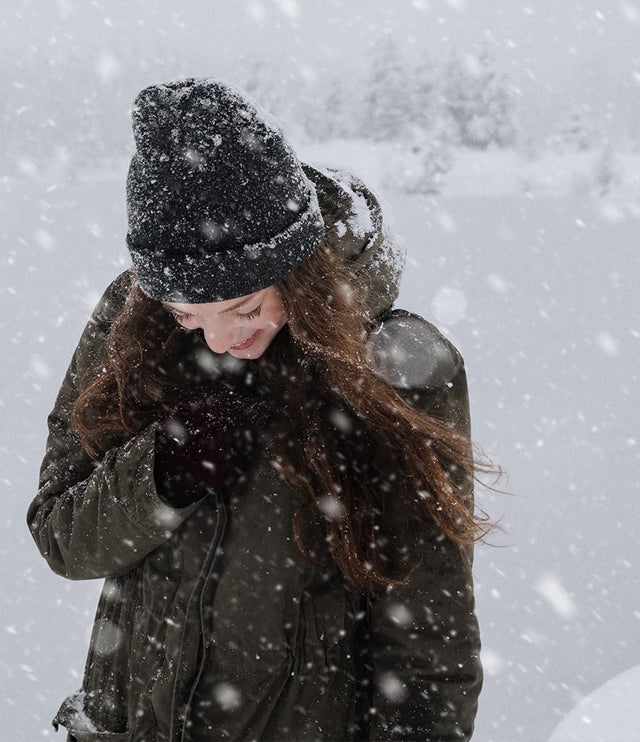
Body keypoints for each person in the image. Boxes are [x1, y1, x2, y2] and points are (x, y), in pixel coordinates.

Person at [29, 79, 493, 740]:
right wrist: (165, 473)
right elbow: (61, 538)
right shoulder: (132, 324)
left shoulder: (399, 365)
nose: (220, 338)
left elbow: (427, 641)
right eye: (189, 314)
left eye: (246, 308)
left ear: (297, 272)